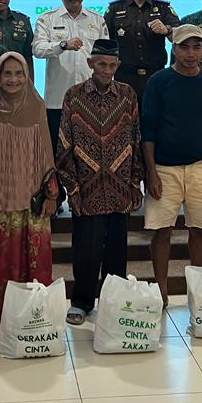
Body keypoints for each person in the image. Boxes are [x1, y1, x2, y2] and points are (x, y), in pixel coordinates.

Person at [140, 24, 202, 306]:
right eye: (184, 47)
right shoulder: (159, 81)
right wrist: (151, 172)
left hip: (201, 166)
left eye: (196, 47)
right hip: (164, 169)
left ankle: (198, 293)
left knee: (199, 229)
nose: (191, 53)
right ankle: (162, 292)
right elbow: (147, 130)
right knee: (162, 230)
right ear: (174, 49)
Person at [56, 38, 141, 325]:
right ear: (91, 63)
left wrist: (135, 182)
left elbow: (135, 139)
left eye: (112, 65)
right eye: (101, 64)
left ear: (118, 65)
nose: (106, 70)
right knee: (86, 250)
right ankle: (81, 302)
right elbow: (64, 143)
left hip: (119, 186)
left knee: (117, 250)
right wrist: (72, 187)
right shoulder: (74, 96)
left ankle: (114, 303)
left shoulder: (127, 95)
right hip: (87, 188)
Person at [0, 52, 58, 335]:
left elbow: (46, 154)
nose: (13, 79)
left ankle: (35, 318)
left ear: (27, 75)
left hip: (32, 200)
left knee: (35, 262)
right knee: (1, 263)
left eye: (19, 73)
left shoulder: (37, 105)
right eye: (7, 73)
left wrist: (51, 194)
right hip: (0, 200)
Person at [33, 0, 108, 152]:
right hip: (57, 99)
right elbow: (37, 49)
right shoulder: (47, 19)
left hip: (91, 100)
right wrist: (63, 45)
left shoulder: (97, 20)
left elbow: (106, 56)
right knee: (58, 150)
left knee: (90, 150)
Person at [105, 0, 179, 108]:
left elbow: (179, 37)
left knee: (154, 119)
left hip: (155, 77)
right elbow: (105, 42)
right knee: (124, 120)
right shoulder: (115, 8)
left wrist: (167, 30)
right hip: (123, 78)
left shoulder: (163, 8)